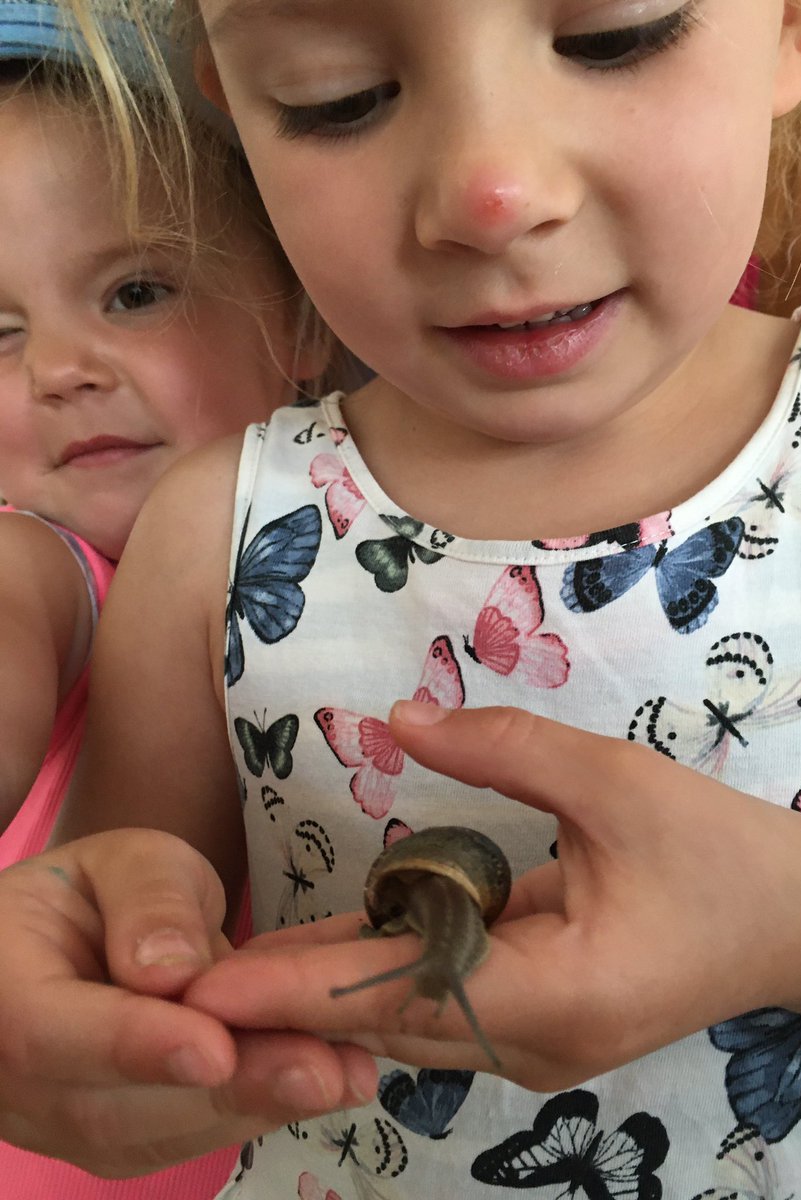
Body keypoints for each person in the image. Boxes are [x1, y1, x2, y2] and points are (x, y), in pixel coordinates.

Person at [3, 0, 801, 1194]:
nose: (492, 194)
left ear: (795, 24)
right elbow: (121, 940)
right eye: (337, 97)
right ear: (233, 99)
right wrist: (78, 1016)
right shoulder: (221, 536)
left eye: (613, 36)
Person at [0, 2, 354, 1195]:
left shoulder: (358, 543)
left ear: (305, 308)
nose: (60, 368)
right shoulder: (41, 560)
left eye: (136, 292)